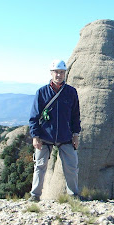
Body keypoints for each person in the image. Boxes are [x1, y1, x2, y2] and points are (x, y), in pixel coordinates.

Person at [28, 59, 81, 201]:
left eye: (62, 72)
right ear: (51, 73)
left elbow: (75, 115)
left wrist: (76, 134)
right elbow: (34, 116)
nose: (59, 75)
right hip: (45, 135)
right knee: (39, 166)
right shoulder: (42, 92)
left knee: (71, 166)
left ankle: (73, 194)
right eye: (56, 72)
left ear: (65, 74)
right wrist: (35, 136)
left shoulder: (71, 92)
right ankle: (35, 195)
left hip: (66, 136)